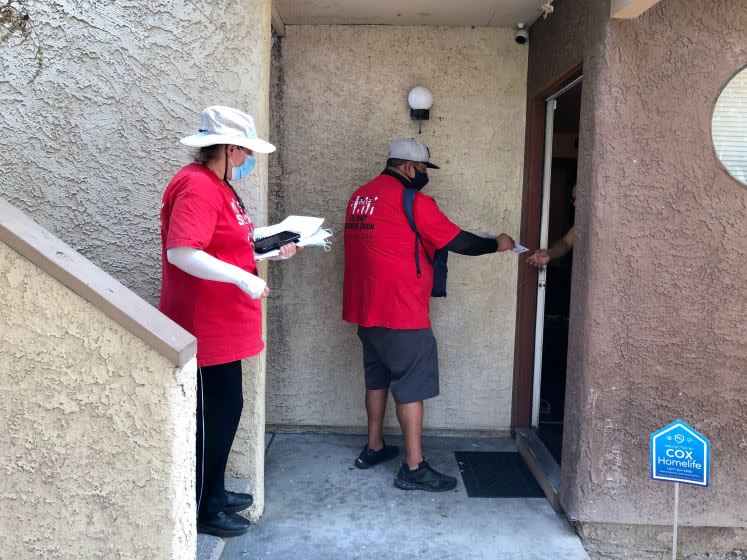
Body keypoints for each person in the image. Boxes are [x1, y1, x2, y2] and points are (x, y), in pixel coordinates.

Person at [342, 138, 515, 492]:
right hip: (401, 310)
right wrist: (498, 243)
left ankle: (373, 447)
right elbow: (458, 241)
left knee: (376, 378)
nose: (424, 176)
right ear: (407, 167)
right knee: (411, 386)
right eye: (422, 169)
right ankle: (413, 466)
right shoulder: (414, 200)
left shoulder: (359, 197)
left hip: (365, 307)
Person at [159, 106, 297, 537]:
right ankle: (204, 505)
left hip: (226, 327)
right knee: (210, 418)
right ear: (231, 149)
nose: (247, 162)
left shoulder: (219, 186)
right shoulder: (197, 188)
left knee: (226, 411)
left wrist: (269, 251)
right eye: (245, 153)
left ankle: (215, 491)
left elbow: (226, 246)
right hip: (205, 326)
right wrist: (243, 279)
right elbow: (182, 252)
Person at [526, 185, 576, 268]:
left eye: (578, 198)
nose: (575, 203)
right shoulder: (580, 225)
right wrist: (549, 253)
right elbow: (566, 243)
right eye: (573, 199)